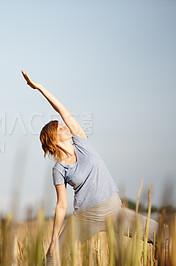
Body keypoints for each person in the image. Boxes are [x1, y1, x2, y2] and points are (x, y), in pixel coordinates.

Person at [21, 70, 167, 264]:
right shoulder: (59, 169)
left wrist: (40, 88)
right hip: (85, 218)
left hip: (114, 211)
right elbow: (61, 205)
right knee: (52, 259)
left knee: (164, 236)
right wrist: (54, 239)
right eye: (59, 127)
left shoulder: (82, 143)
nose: (65, 126)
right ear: (53, 139)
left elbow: (63, 111)